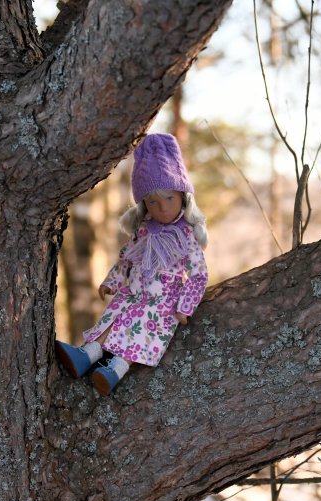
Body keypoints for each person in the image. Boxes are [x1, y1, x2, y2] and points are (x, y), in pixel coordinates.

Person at [55, 133, 209, 396]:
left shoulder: (186, 235)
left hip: (162, 302)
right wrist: (112, 282)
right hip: (132, 293)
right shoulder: (144, 230)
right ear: (144, 204)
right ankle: (87, 355)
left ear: (183, 196)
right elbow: (127, 258)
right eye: (153, 202)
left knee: (140, 332)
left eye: (169, 198)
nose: (162, 208)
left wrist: (185, 305)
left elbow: (198, 274)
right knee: (114, 319)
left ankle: (115, 370)